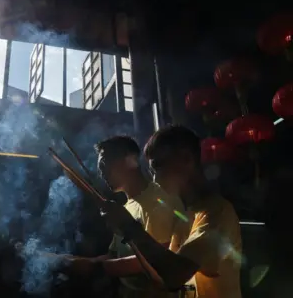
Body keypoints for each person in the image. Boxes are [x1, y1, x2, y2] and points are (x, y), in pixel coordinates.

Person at [65, 126, 242, 298]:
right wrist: (127, 231)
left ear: (187, 159)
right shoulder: (186, 215)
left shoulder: (217, 211)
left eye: (158, 166)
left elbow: (175, 275)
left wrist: (130, 228)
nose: (155, 178)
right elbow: (161, 278)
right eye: (152, 170)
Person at [66, 136, 185, 297]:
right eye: (100, 168)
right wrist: (73, 260)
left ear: (130, 161)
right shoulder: (125, 208)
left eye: (104, 164)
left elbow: (158, 261)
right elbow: (115, 255)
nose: (102, 172)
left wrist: (94, 267)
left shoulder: (160, 199)